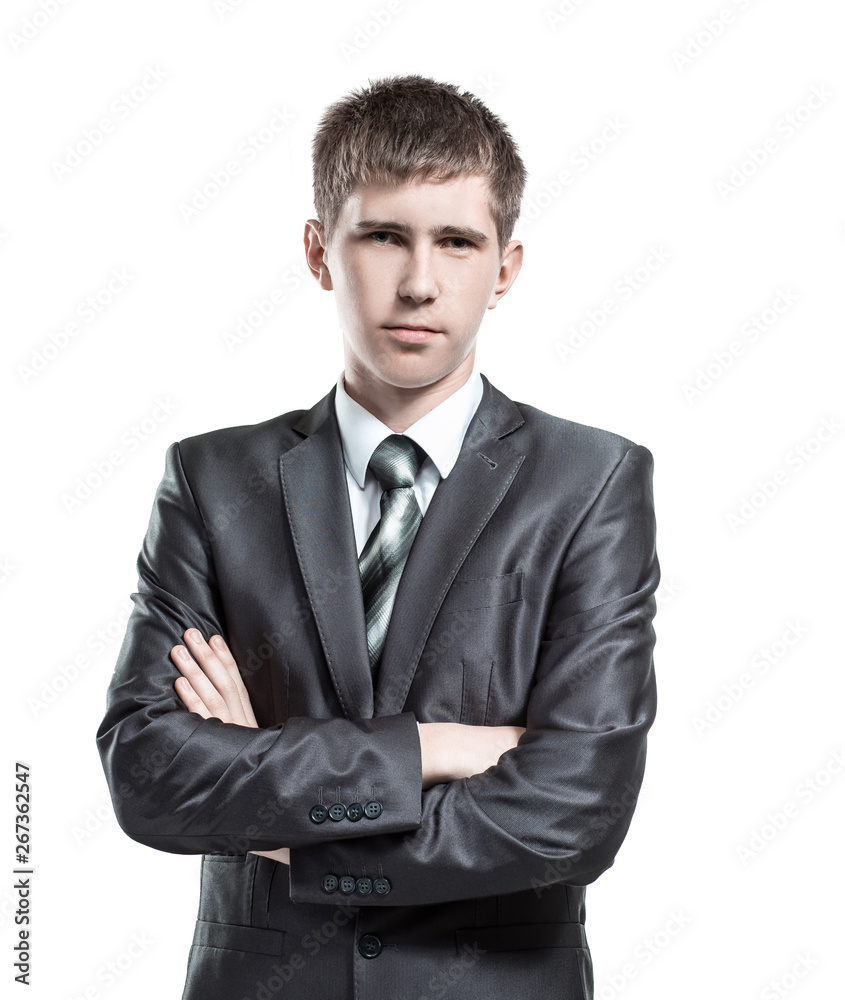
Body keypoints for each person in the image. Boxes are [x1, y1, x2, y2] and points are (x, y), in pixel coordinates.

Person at [96, 74, 659, 1000]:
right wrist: (434, 749)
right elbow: (150, 774)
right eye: (384, 236)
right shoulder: (211, 480)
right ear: (320, 251)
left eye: (457, 241)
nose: (419, 282)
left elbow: (574, 815)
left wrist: (271, 809)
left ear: (505, 267)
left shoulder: (591, 483)